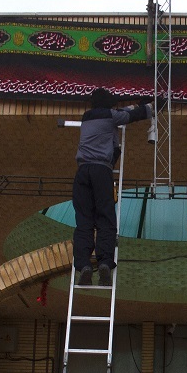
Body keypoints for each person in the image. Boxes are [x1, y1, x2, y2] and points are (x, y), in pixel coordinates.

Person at [72, 88, 156, 287]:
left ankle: (84, 265)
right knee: (105, 217)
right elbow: (132, 115)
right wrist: (153, 105)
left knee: (84, 221)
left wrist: (134, 105)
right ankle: (104, 262)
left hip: (82, 172)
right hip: (101, 171)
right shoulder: (110, 116)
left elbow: (120, 112)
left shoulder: (87, 117)